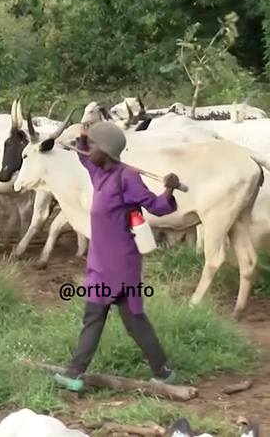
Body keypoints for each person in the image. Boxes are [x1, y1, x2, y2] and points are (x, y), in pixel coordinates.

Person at [52, 120, 180, 392]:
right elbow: (83, 157)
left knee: (101, 315)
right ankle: (162, 371)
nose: (89, 152)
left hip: (118, 265)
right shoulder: (99, 172)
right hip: (103, 262)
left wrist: (169, 188)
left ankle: (74, 373)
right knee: (131, 320)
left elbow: (157, 207)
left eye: (94, 146)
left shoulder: (127, 178)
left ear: (107, 151)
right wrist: (84, 138)